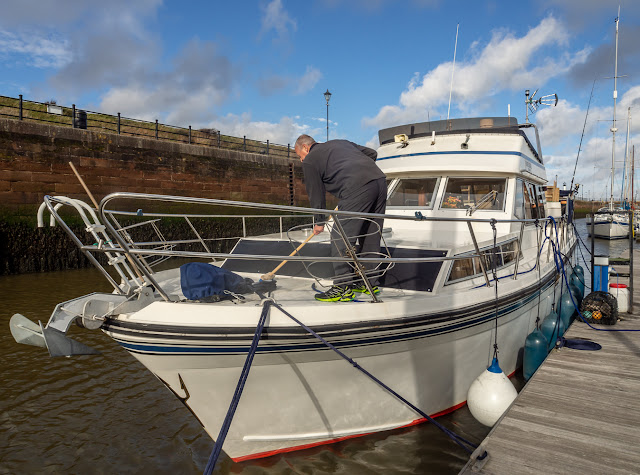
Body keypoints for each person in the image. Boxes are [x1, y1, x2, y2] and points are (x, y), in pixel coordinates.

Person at [294, 134, 387, 302]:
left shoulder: (310, 160)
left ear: (306, 148)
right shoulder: (341, 142)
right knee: (369, 234)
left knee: (340, 237)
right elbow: (372, 153)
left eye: (299, 156)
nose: (301, 161)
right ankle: (369, 282)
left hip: (357, 187)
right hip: (379, 181)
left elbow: (315, 193)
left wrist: (319, 221)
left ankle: (342, 288)